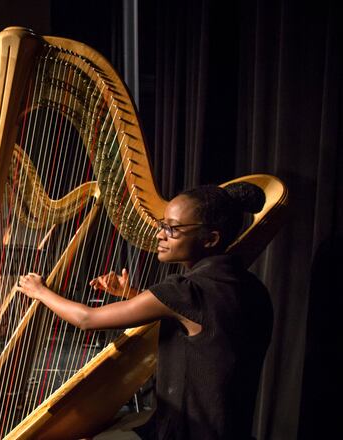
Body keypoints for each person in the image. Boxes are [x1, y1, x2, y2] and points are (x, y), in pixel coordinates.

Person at [16, 183, 273, 440]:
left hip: (184, 432)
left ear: (210, 239)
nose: (161, 235)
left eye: (172, 229)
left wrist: (40, 291)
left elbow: (86, 319)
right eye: (163, 225)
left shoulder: (184, 292)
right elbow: (200, 321)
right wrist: (130, 294)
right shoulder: (252, 288)